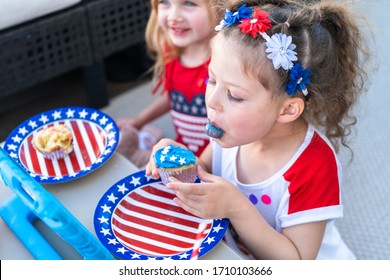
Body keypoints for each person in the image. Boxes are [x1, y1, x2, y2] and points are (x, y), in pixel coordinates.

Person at [146, 0, 371, 259]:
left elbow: (296, 262)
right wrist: (178, 162)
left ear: (287, 110)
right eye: (212, 80)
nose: (212, 101)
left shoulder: (315, 166)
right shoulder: (234, 134)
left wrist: (236, 208)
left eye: (235, 96)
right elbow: (203, 171)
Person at [116, 0, 223, 167]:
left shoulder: (222, 67)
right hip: (181, 152)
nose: (173, 16)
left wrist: (200, 166)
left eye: (189, 3)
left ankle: (147, 143)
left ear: (220, 8)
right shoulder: (174, 54)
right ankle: (148, 140)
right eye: (165, 2)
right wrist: (138, 121)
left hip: (214, 165)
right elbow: (175, 96)